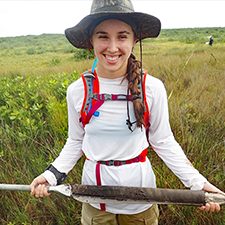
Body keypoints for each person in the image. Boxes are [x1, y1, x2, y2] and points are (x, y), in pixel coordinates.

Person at [31, 0, 224, 224]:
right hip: (94, 200)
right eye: (103, 36)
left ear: (134, 40)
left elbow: (163, 142)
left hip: (141, 201)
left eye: (122, 36)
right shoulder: (77, 91)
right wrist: (50, 175)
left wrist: (198, 184)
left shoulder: (151, 88)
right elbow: (75, 141)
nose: (112, 47)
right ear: (91, 41)